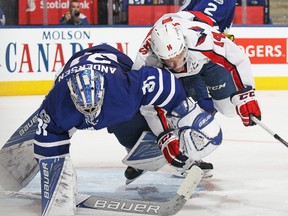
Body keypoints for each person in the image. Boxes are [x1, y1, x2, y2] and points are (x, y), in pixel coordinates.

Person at [33, 43, 222, 216]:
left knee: (127, 117)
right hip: (72, 71)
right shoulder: (57, 103)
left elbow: (165, 83)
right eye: (85, 109)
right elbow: (48, 134)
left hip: (112, 61)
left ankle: (143, 154)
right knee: (55, 127)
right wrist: (58, 181)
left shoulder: (122, 90)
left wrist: (178, 124)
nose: (90, 114)